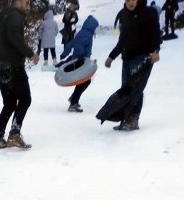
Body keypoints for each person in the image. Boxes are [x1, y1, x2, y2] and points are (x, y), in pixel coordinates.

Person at [105, 0, 162, 131]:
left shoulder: (149, 13)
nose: (130, 2)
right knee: (126, 89)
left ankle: (133, 119)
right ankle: (126, 118)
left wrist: (156, 51)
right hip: (127, 58)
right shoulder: (123, 14)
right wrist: (111, 56)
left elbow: (155, 34)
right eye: (127, 0)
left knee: (136, 88)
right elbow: (122, 40)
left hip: (143, 57)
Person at [0, 0, 39, 149]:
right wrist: (30, 54)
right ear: (18, 2)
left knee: (10, 103)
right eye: (26, 3)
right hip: (12, 67)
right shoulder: (15, 16)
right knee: (25, 99)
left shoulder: (6, 15)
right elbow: (14, 39)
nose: (28, 7)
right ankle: (14, 134)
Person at [60, 15, 99, 112]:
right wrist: (83, 57)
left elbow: (72, 43)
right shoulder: (86, 35)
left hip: (81, 60)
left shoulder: (84, 32)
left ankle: (73, 98)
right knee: (85, 81)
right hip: (79, 61)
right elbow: (78, 46)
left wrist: (65, 53)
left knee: (84, 81)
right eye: (95, 27)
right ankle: (73, 102)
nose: (95, 29)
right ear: (92, 26)